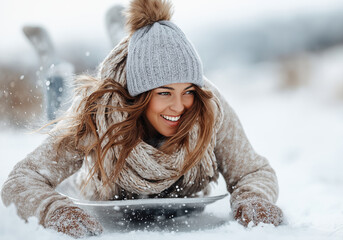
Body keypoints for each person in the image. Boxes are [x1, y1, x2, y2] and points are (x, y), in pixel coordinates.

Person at [1, 0, 283, 237]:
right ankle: (53, 70)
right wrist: (54, 211)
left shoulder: (208, 108)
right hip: (95, 186)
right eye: (163, 93)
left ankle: (120, 35)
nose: (179, 106)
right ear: (138, 95)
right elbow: (21, 181)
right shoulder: (100, 114)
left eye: (187, 91)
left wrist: (254, 198)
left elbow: (254, 171)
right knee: (61, 112)